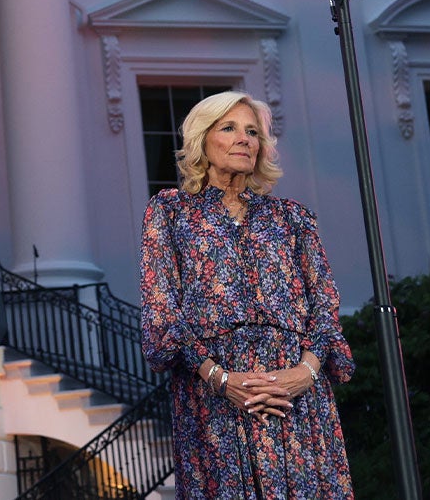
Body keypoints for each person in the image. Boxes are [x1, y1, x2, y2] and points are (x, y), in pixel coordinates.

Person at [139, 91, 355, 499]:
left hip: (296, 397)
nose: (244, 139)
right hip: (214, 399)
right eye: (229, 128)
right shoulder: (170, 212)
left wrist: (304, 374)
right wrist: (221, 379)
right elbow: (161, 311)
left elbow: (325, 305)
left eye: (252, 132)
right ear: (203, 140)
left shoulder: (292, 217)